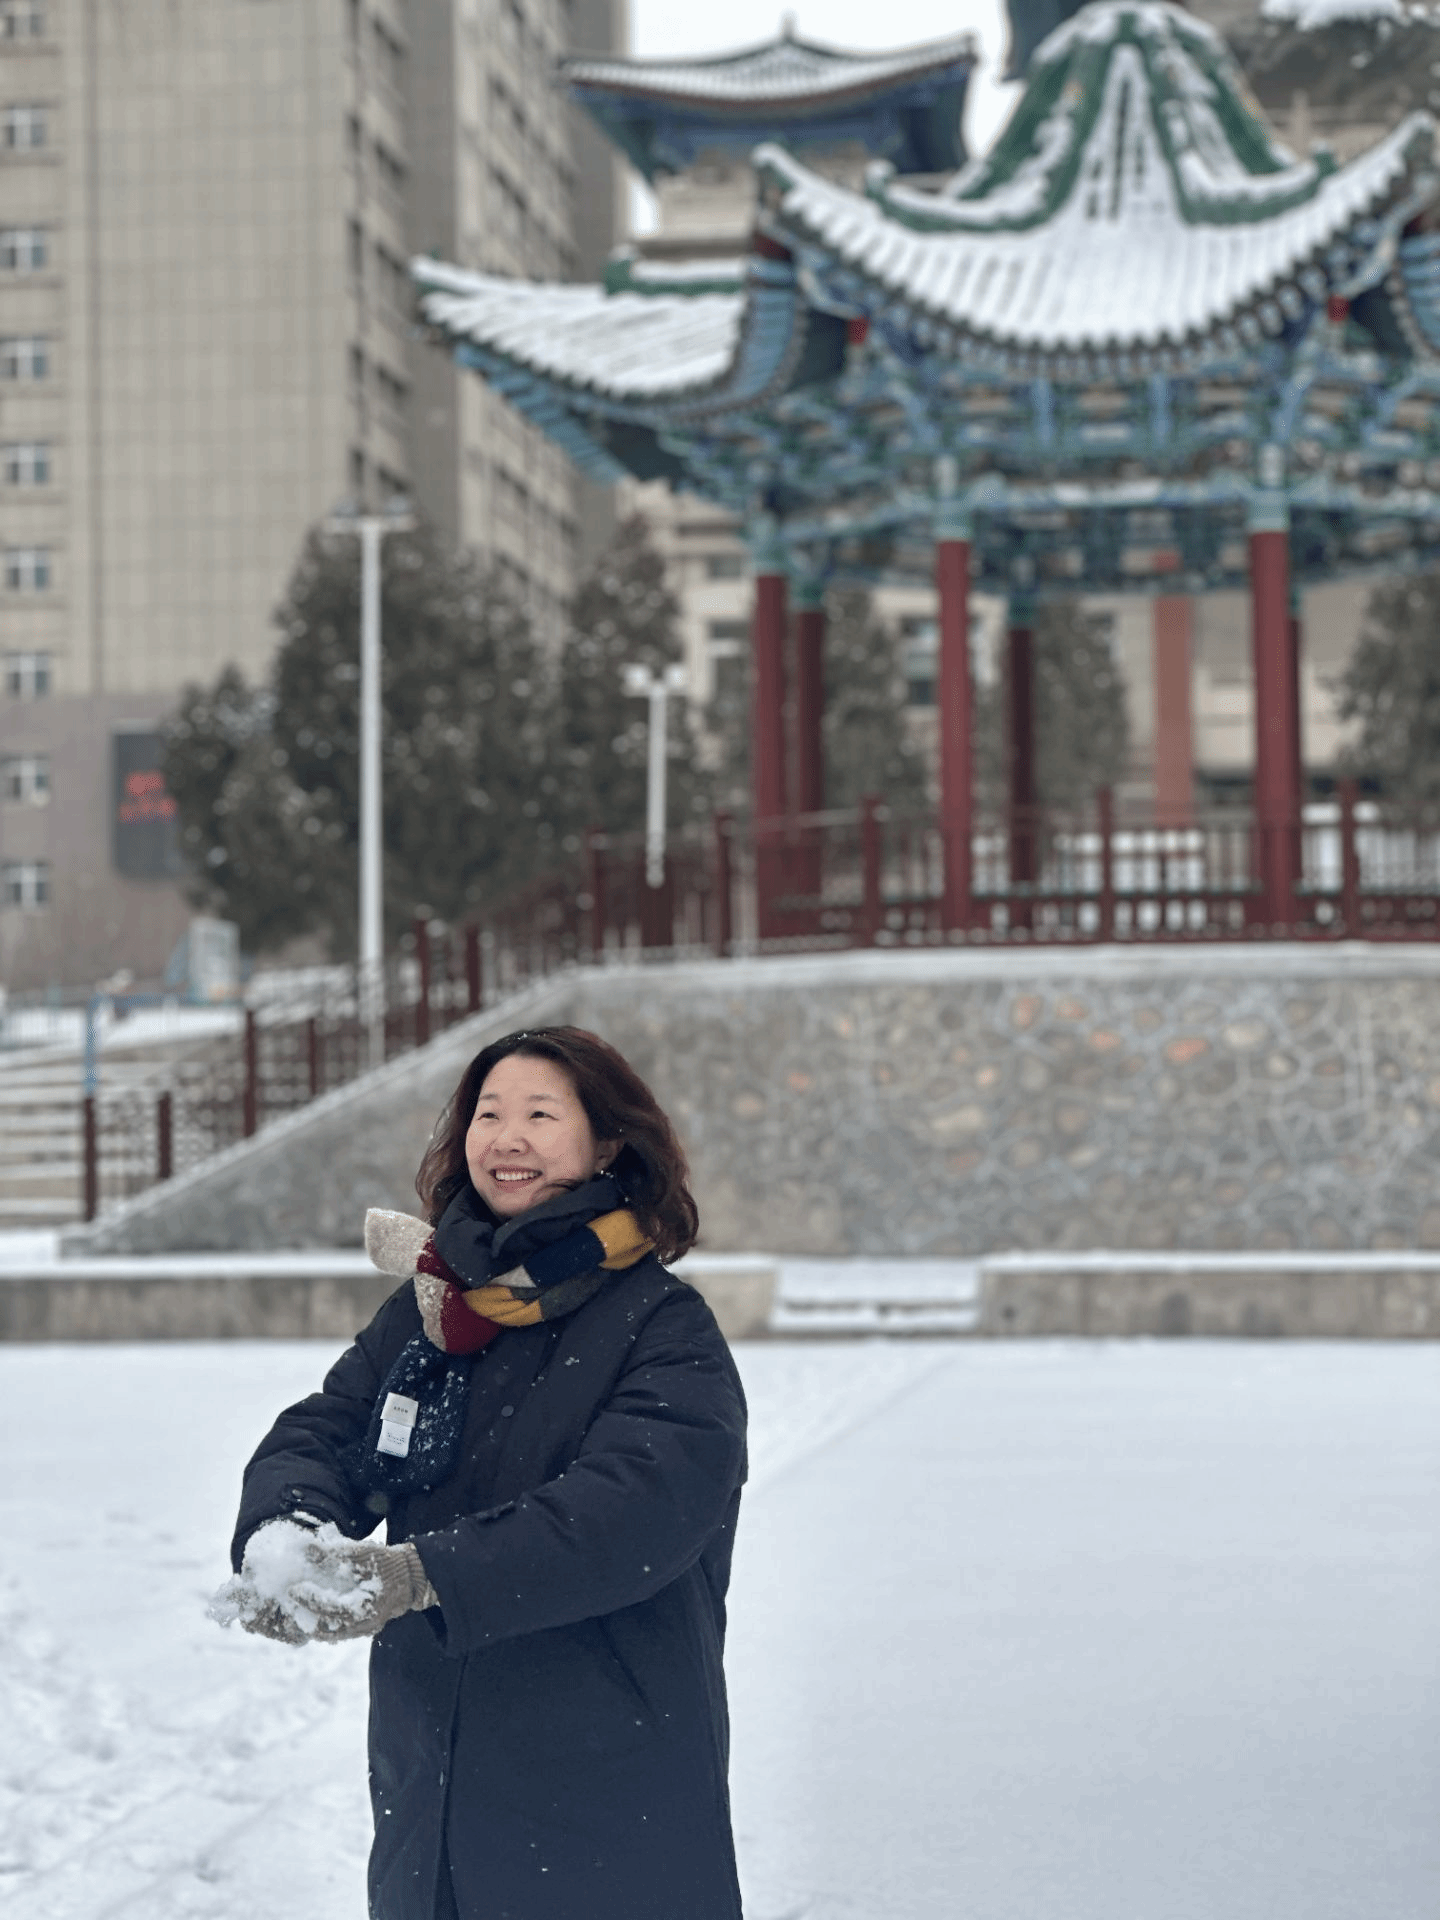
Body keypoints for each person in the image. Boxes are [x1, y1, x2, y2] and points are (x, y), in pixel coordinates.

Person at [224, 1025, 749, 1920]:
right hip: (428, 1774)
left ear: (607, 1143)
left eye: (540, 1115)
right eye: (488, 1114)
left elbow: (631, 1513)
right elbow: (329, 1429)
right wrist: (287, 1528)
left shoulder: (663, 1326)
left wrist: (422, 1575)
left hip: (607, 1775)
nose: (507, 1138)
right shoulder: (437, 1311)